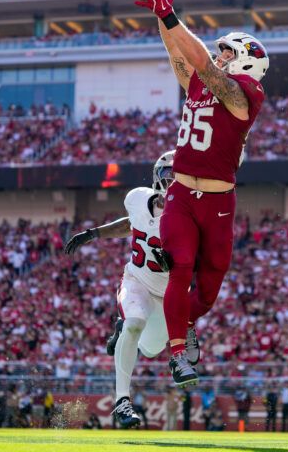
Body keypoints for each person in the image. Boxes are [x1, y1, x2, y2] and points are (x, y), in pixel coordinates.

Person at [133, 0, 269, 387]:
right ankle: (177, 354)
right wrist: (160, 12)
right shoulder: (202, 82)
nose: (220, 55)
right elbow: (179, 54)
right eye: (221, 50)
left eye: (229, 51)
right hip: (180, 192)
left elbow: (206, 67)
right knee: (181, 266)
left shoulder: (246, 94)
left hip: (218, 201)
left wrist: (170, 13)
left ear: (247, 61)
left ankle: (176, 327)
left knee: (208, 289)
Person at [65, 151, 175, 428]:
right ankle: (122, 401)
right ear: (157, 177)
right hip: (136, 279)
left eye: (179, 176)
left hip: (167, 292)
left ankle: (121, 327)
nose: (173, 181)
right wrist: (94, 233)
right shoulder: (138, 198)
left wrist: (175, 261)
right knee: (135, 323)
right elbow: (132, 223)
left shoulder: (189, 213)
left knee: (150, 349)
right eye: (168, 175)